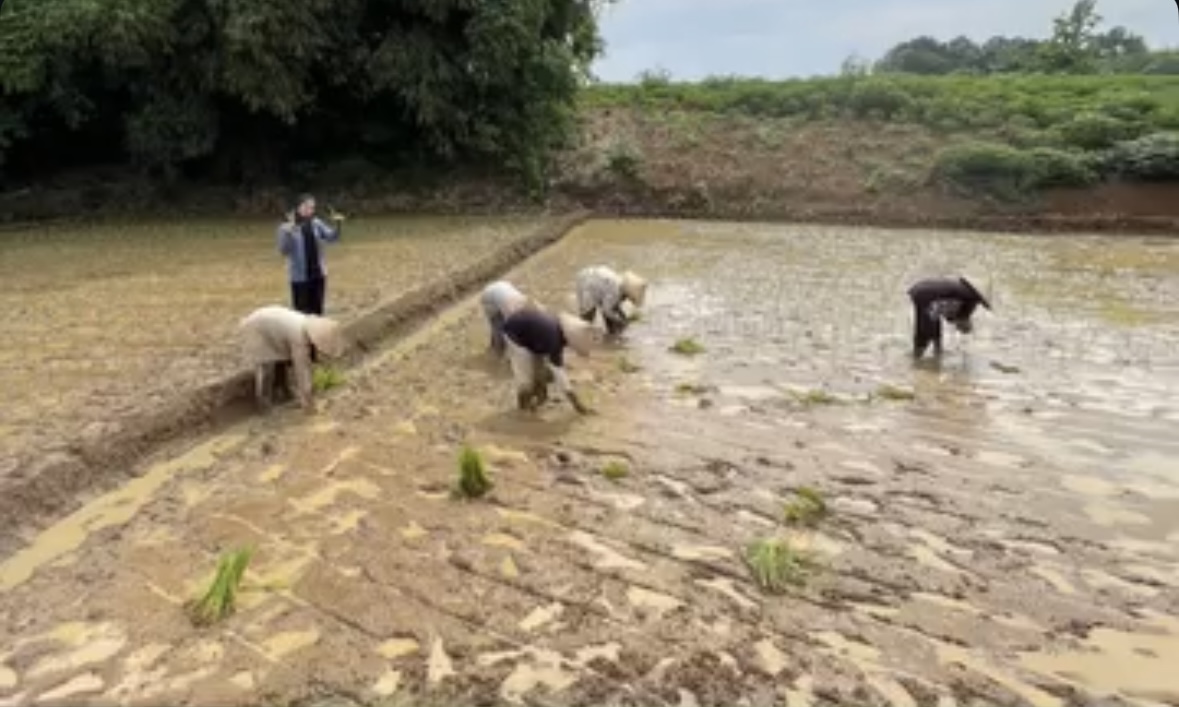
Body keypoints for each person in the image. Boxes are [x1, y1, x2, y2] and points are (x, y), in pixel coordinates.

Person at [239, 305, 346, 411]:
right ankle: (263, 406)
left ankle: (286, 393)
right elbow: (302, 372)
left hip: (272, 325)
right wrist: (309, 405)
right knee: (266, 367)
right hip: (258, 327)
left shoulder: (306, 324)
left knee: (284, 361)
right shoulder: (299, 337)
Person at [501, 306, 595, 414]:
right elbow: (559, 372)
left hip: (532, 336)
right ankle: (523, 409)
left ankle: (538, 397)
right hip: (514, 335)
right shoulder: (553, 339)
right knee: (526, 378)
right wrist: (576, 402)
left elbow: (551, 365)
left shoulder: (558, 329)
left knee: (539, 370)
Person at [278, 194, 342, 318]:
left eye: (312, 207)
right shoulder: (285, 227)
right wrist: (289, 233)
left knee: (317, 312)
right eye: (306, 207)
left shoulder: (316, 223)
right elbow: (284, 251)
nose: (310, 210)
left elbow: (332, 238)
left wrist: (338, 224)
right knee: (301, 315)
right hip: (300, 278)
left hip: (318, 275)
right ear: (298, 207)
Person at [907, 276, 991, 358]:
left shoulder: (960, 287)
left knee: (924, 326)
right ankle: (923, 355)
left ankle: (919, 355)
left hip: (918, 290)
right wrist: (964, 326)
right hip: (926, 295)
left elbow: (944, 314)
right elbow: (956, 317)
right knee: (927, 330)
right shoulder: (970, 298)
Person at [575, 266, 648, 336]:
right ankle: (580, 335)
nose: (627, 300)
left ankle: (610, 335)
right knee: (587, 320)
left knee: (613, 314)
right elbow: (607, 311)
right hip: (587, 284)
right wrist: (621, 321)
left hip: (592, 279)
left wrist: (623, 317)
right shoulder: (615, 291)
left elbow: (613, 305)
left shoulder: (619, 283)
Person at [480, 280, 533, 356]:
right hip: (488, 297)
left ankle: (495, 345)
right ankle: (498, 350)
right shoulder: (511, 310)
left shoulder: (522, 301)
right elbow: (510, 330)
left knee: (502, 325)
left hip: (501, 288)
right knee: (497, 325)